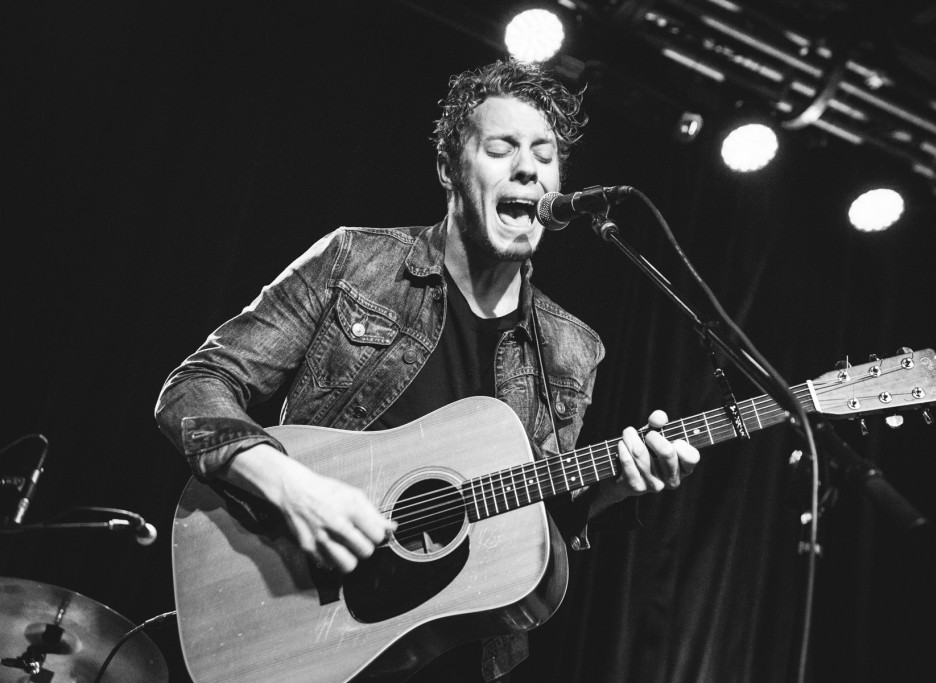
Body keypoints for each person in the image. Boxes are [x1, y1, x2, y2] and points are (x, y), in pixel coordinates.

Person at [155, 59, 700, 681]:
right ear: (448, 169)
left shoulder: (572, 350)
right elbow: (190, 394)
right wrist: (290, 487)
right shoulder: (354, 262)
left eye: (545, 155)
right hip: (294, 622)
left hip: (449, 659)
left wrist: (615, 486)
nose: (528, 167)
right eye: (502, 147)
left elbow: (536, 520)